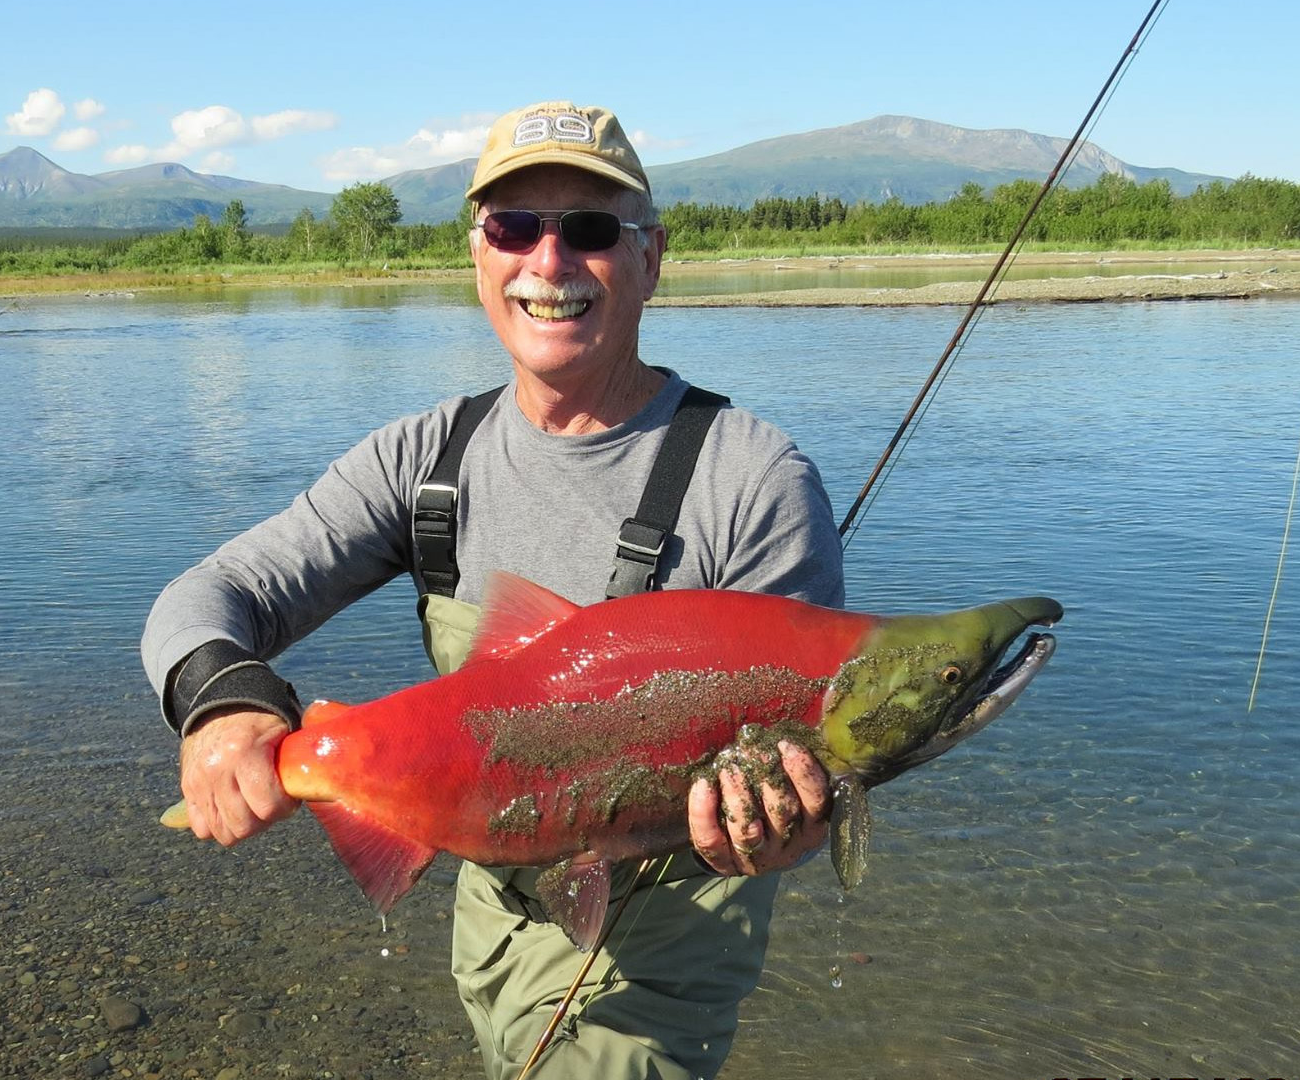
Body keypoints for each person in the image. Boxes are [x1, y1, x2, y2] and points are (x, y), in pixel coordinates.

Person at [142, 100, 844, 1079]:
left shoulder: (753, 479)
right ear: (478, 254)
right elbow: (211, 593)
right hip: (490, 925)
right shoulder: (425, 461)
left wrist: (795, 825)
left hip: (662, 956)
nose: (549, 262)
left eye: (590, 229)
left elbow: (817, 756)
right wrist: (222, 701)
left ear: (651, 258)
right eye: (514, 227)